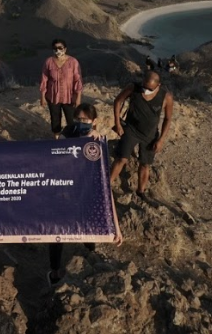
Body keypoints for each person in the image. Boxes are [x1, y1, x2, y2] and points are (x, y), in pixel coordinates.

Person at [47, 103, 121, 286]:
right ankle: (55, 272)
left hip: (85, 193)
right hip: (64, 192)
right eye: (78, 119)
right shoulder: (67, 134)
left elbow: (104, 187)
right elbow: (57, 156)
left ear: (94, 121)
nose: (81, 122)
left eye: (85, 120)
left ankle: (90, 257)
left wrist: (116, 228)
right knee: (57, 232)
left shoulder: (98, 144)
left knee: (89, 226)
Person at [110, 71, 173, 199]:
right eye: (144, 86)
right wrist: (117, 123)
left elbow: (168, 119)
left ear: (158, 85)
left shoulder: (166, 97)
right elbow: (118, 101)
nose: (146, 91)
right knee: (121, 158)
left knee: (145, 163)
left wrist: (161, 140)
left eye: (150, 89)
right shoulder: (133, 88)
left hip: (150, 134)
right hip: (131, 130)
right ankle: (107, 183)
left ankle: (141, 191)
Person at [39, 39, 83, 139]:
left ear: (65, 49)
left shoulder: (73, 62)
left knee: (71, 120)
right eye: (55, 48)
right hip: (53, 96)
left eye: (60, 48)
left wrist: (78, 97)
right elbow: (44, 79)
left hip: (69, 96)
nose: (58, 50)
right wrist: (42, 96)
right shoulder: (49, 62)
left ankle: (72, 139)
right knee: (55, 119)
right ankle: (57, 140)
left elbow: (78, 79)